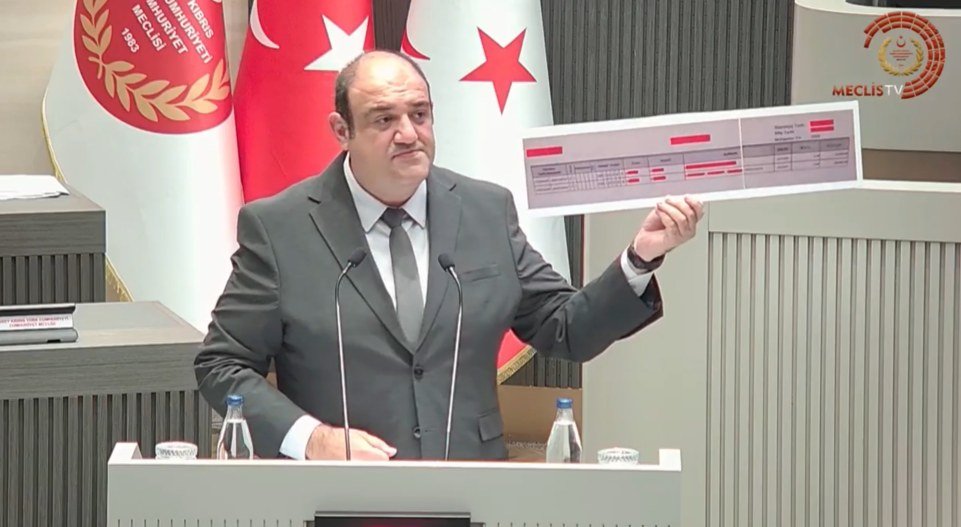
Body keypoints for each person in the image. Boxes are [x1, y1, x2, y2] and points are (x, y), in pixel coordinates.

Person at [194, 50, 703, 461]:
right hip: (336, 495)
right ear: (341, 130)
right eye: (384, 119)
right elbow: (222, 363)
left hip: (469, 491)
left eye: (419, 114)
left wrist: (639, 259)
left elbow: (565, 328)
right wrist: (310, 439)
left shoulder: (484, 211)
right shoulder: (281, 228)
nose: (408, 134)